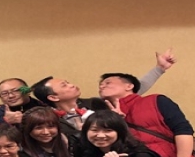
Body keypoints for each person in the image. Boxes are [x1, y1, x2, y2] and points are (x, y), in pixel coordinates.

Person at [30, 49, 176, 134]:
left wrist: (159, 69)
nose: (72, 85)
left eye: (68, 82)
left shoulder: (96, 104)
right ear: (53, 97)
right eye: (64, 85)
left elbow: (130, 90)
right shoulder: (48, 120)